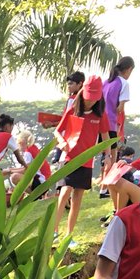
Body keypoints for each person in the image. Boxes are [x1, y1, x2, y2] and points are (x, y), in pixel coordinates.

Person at [54, 76, 112, 244]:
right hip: (69, 158)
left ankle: (69, 236)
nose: (91, 101)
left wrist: (107, 156)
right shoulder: (72, 109)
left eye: (95, 98)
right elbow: (58, 131)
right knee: (65, 192)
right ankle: (55, 231)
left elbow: (105, 136)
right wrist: (62, 142)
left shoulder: (100, 114)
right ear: (82, 93)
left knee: (77, 198)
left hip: (86, 161)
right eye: (89, 97)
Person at [8, 130, 51, 194]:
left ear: (21, 142)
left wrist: (9, 171)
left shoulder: (28, 152)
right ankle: (37, 196)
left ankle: (35, 196)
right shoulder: (33, 148)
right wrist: (10, 170)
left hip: (40, 181)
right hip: (44, 180)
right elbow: (26, 168)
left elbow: (25, 170)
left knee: (14, 177)